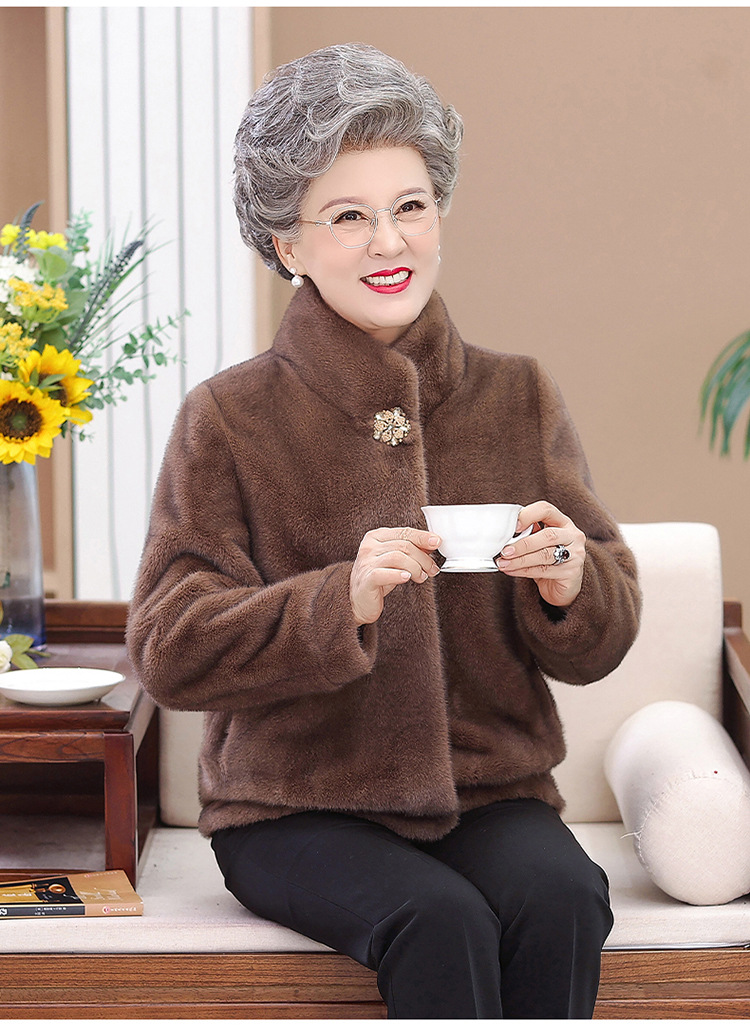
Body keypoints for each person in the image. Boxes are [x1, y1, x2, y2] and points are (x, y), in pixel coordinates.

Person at [127, 43, 641, 1019]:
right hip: (291, 808)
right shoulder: (228, 417)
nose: (389, 241)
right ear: (287, 244)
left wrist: (574, 583)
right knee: (437, 920)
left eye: (410, 205)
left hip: (490, 793)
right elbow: (168, 645)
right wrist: (340, 600)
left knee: (566, 895)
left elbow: (602, 638)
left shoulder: (517, 394)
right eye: (349, 216)